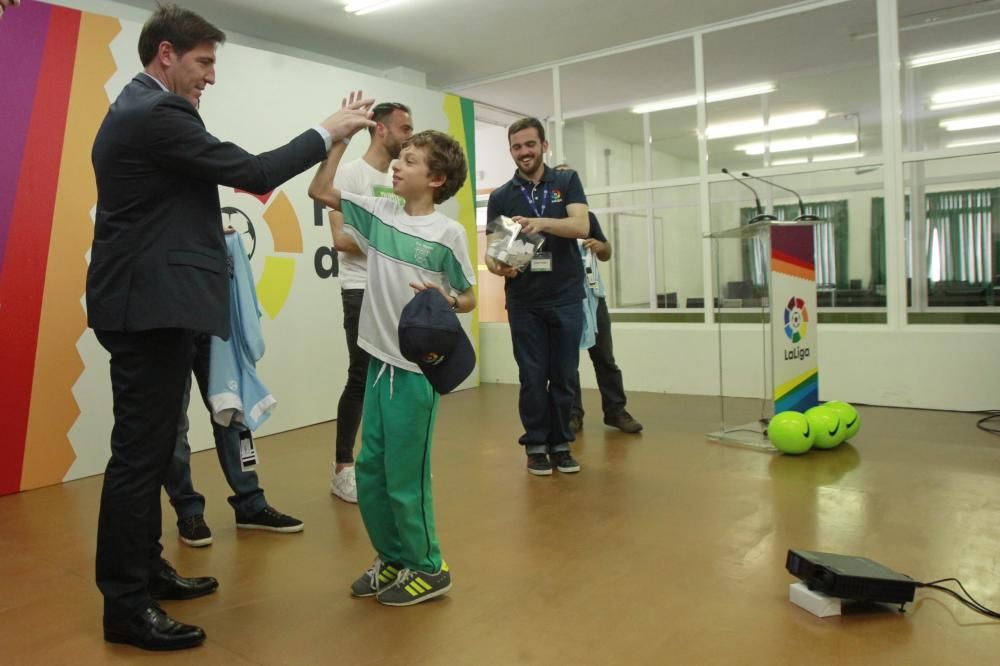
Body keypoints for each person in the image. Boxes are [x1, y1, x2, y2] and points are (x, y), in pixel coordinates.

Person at [86, 4, 374, 651]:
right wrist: (325, 132)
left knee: (151, 450)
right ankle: (126, 606)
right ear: (166, 53)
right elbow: (254, 173)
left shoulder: (140, 111)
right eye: (204, 62)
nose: (211, 76)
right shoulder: (157, 112)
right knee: (138, 459)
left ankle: (146, 571)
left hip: (152, 305)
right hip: (148, 309)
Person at [309, 128, 475, 607]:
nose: (397, 166)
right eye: (399, 157)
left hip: (415, 373)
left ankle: (429, 566)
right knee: (371, 471)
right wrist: (336, 142)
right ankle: (394, 558)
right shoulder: (380, 213)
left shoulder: (449, 235)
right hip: (378, 363)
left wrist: (450, 300)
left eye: (410, 161)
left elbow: (467, 294)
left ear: (436, 179)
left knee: (406, 478)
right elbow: (321, 192)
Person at [485, 118, 590, 476]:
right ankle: (535, 445)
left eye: (530, 144)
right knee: (532, 375)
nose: (524, 152)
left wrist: (540, 223)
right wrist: (498, 266)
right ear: (511, 151)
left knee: (564, 374)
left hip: (566, 296)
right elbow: (492, 252)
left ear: (543, 145)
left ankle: (561, 444)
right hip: (524, 300)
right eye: (517, 147)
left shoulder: (566, 182)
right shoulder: (501, 196)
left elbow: (580, 227)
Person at [328, 102, 414, 504]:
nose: (409, 136)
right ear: (381, 130)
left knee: (394, 376)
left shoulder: (401, 178)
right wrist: (393, 246)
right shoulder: (350, 175)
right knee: (361, 376)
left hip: (396, 289)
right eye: (404, 128)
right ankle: (343, 468)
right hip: (360, 288)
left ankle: (379, 462)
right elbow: (342, 239)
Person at [165, 332, 304, 548]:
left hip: (214, 324)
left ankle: (252, 502)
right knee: (174, 425)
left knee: (236, 416)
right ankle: (187, 510)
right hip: (172, 325)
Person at [567, 212, 644, 434]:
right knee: (567, 363)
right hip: (563, 301)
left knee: (605, 358)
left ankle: (616, 411)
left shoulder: (586, 217)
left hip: (593, 299)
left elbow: (606, 253)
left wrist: (600, 246)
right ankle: (572, 414)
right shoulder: (545, 219)